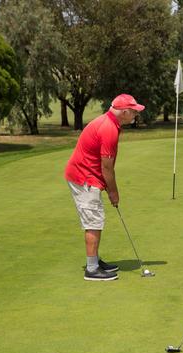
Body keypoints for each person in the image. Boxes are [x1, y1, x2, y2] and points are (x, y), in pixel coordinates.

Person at [64, 94, 145, 281]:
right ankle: (91, 269)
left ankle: (95, 260)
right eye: (133, 111)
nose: (135, 114)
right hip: (84, 178)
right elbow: (106, 167)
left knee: (95, 218)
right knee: (94, 221)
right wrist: (113, 192)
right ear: (124, 112)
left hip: (86, 175)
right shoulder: (108, 128)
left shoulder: (109, 122)